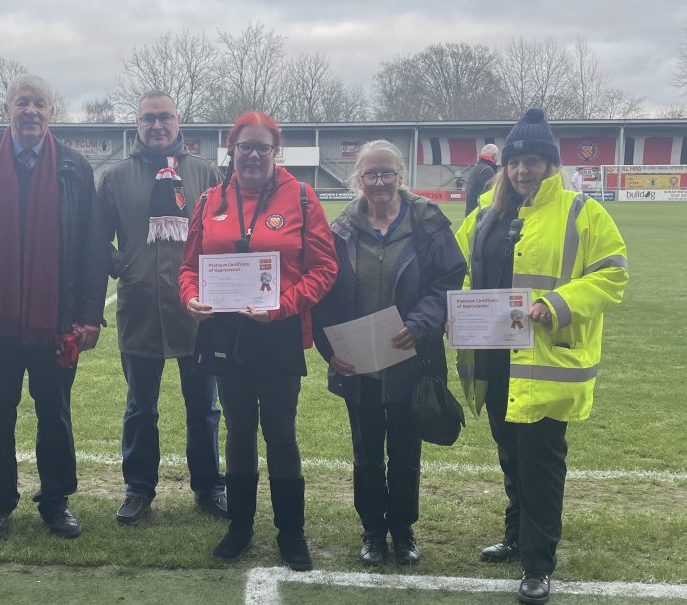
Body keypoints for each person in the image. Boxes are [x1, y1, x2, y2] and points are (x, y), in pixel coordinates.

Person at [456, 108, 628, 605]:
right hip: (493, 358)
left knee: (541, 464)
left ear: (551, 165)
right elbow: (465, 270)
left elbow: (613, 273)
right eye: (514, 162)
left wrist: (556, 304)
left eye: (533, 161)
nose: (521, 171)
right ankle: (515, 537)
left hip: (545, 361)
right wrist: (459, 308)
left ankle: (538, 563)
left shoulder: (581, 211)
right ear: (504, 165)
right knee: (509, 453)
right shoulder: (487, 213)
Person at [0, 74, 109, 542]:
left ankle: (56, 501)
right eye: (22, 102)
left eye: (39, 103)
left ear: (52, 113)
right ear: (7, 109)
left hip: (55, 319)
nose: (31, 111)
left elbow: (91, 247)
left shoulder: (74, 167)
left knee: (55, 414)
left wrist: (90, 314)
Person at [179, 111, 338, 571]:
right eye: (244, 146)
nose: (252, 155)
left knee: (281, 434)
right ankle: (240, 526)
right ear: (232, 150)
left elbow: (325, 269)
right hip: (226, 332)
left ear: (276, 151)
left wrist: (282, 305)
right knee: (238, 430)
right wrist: (190, 296)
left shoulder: (303, 199)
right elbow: (190, 268)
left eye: (261, 147)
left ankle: (292, 533)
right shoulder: (211, 199)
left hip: (279, 329)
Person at [312, 140, 465, 567]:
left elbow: (448, 281)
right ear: (357, 180)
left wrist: (420, 325)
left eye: (386, 174)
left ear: (400, 177)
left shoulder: (428, 224)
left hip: (411, 360)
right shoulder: (339, 229)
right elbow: (324, 296)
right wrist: (330, 351)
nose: (378, 183)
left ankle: (403, 530)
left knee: (405, 451)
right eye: (369, 175)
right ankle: (372, 532)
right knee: (366, 453)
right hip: (358, 365)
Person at [99, 91, 227, 524]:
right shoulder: (115, 177)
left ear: (178, 121)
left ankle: (209, 487)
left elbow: (225, 235)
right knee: (140, 408)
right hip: (139, 310)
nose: (157, 126)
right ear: (137, 123)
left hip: (198, 312)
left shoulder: (206, 172)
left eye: (164, 118)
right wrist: (127, 268)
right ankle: (139, 489)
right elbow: (95, 240)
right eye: (148, 118)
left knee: (205, 408)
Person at [465, 143, 500, 216]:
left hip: (470, 212)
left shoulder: (476, 169)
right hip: (478, 214)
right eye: (497, 156)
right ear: (493, 156)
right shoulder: (487, 170)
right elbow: (489, 196)